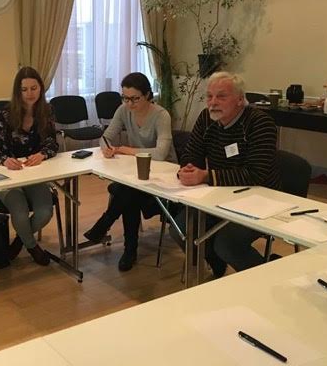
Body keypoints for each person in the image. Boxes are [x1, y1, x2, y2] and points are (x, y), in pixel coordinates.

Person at [169, 71, 280, 277]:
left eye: (221, 96)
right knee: (180, 229)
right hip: (220, 195)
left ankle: (269, 280)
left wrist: (206, 176)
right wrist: (188, 168)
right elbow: (191, 152)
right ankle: (217, 266)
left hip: (259, 199)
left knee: (227, 244)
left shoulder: (260, 122)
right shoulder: (206, 118)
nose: (213, 103)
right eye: (209, 96)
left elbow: (256, 174)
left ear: (240, 99)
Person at [83, 72, 176, 271]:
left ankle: (111, 230)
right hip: (137, 173)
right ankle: (127, 248)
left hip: (164, 176)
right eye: (125, 98)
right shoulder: (123, 110)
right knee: (128, 192)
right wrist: (107, 148)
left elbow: (160, 154)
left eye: (135, 98)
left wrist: (126, 149)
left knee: (126, 193)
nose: (129, 103)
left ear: (147, 95)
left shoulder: (161, 116)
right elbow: (105, 137)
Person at [0, 67, 59, 266]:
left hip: (33, 173)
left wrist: (42, 154)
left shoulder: (47, 111)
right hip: (9, 174)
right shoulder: (5, 113)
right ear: (17, 91)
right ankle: (33, 247)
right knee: (19, 211)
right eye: (24, 89)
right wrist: (5, 160)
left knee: (45, 211)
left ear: (41, 88)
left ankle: (21, 239)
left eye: (34, 88)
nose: (29, 94)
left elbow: (52, 143)